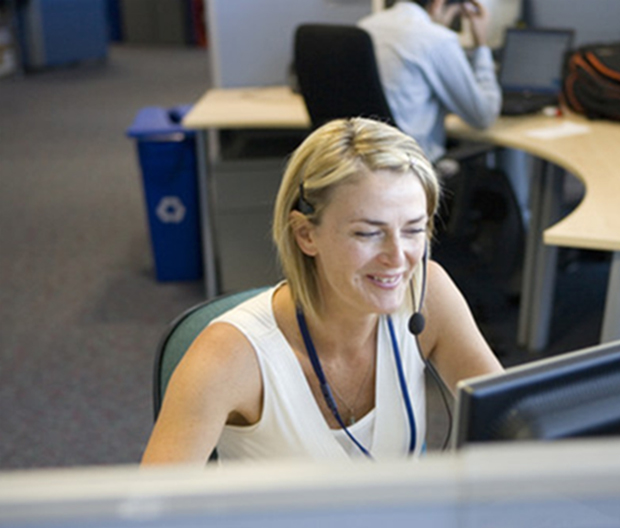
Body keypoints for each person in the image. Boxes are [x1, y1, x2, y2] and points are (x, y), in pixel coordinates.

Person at [142, 118, 502, 465]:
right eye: (368, 233)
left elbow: (514, 421)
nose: (398, 257)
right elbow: (150, 512)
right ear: (306, 235)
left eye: (413, 230)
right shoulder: (228, 357)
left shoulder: (426, 293)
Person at [358, 0, 501, 163]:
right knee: (497, 182)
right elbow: (483, 116)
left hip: (364, 161)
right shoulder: (437, 39)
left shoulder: (365, 26)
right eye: (454, 15)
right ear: (438, 4)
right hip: (415, 168)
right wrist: (481, 44)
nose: (448, 23)